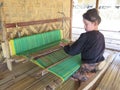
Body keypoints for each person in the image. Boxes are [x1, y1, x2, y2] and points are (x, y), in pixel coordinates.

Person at [60, 8, 105, 82]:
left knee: (69, 74)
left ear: (95, 23)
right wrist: (76, 43)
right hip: (99, 62)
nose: (84, 26)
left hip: (89, 66)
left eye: (86, 24)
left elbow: (72, 52)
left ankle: (85, 77)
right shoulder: (101, 35)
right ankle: (93, 71)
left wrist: (65, 46)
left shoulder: (85, 36)